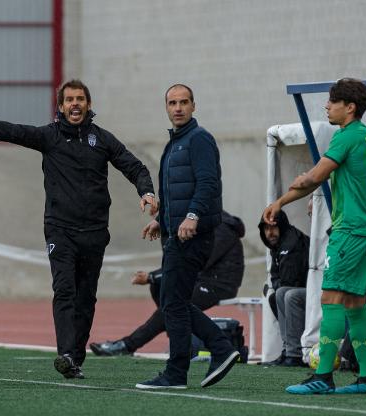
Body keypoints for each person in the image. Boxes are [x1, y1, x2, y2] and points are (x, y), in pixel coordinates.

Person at [0, 79, 156, 379]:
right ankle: (65, 353)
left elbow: (134, 166)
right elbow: (16, 132)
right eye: (69, 100)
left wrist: (146, 192)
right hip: (61, 230)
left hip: (95, 232)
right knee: (64, 290)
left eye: (80, 99)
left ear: (88, 105)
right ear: (60, 107)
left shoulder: (102, 139)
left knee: (86, 298)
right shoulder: (50, 136)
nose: (75, 104)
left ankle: (75, 358)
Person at [262, 78, 366, 394]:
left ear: (349, 107)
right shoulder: (363, 135)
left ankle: (322, 376)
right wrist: (288, 197)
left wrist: (279, 202)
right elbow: (318, 179)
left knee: (331, 299)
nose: (327, 106)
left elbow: (314, 176)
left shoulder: (347, 136)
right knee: (355, 304)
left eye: (332, 101)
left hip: (351, 232)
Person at [135, 84, 239, 390]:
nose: (178, 107)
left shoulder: (199, 139)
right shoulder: (176, 143)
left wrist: (192, 216)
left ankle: (184, 368)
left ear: (194, 106)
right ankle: (215, 351)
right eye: (172, 103)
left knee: (173, 302)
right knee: (174, 300)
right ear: (166, 107)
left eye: (184, 102)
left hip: (193, 235)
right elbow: (175, 190)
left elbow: (206, 183)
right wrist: (161, 220)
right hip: (176, 233)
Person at [90, 211, 245, 356]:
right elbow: (176, 261)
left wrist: (151, 276)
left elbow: (195, 262)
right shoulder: (196, 222)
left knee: (173, 304)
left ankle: (127, 345)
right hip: (199, 279)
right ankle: (179, 341)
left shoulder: (221, 228)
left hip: (218, 285)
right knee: (161, 288)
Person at [258, 210, 309, 367]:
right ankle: (289, 350)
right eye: (266, 229)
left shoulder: (291, 243)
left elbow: (290, 281)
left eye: (273, 227)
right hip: (304, 292)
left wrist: (277, 285)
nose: (270, 233)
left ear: (282, 226)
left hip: (320, 294)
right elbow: (275, 277)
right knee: (280, 294)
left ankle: (295, 354)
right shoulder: (278, 245)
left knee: (288, 294)